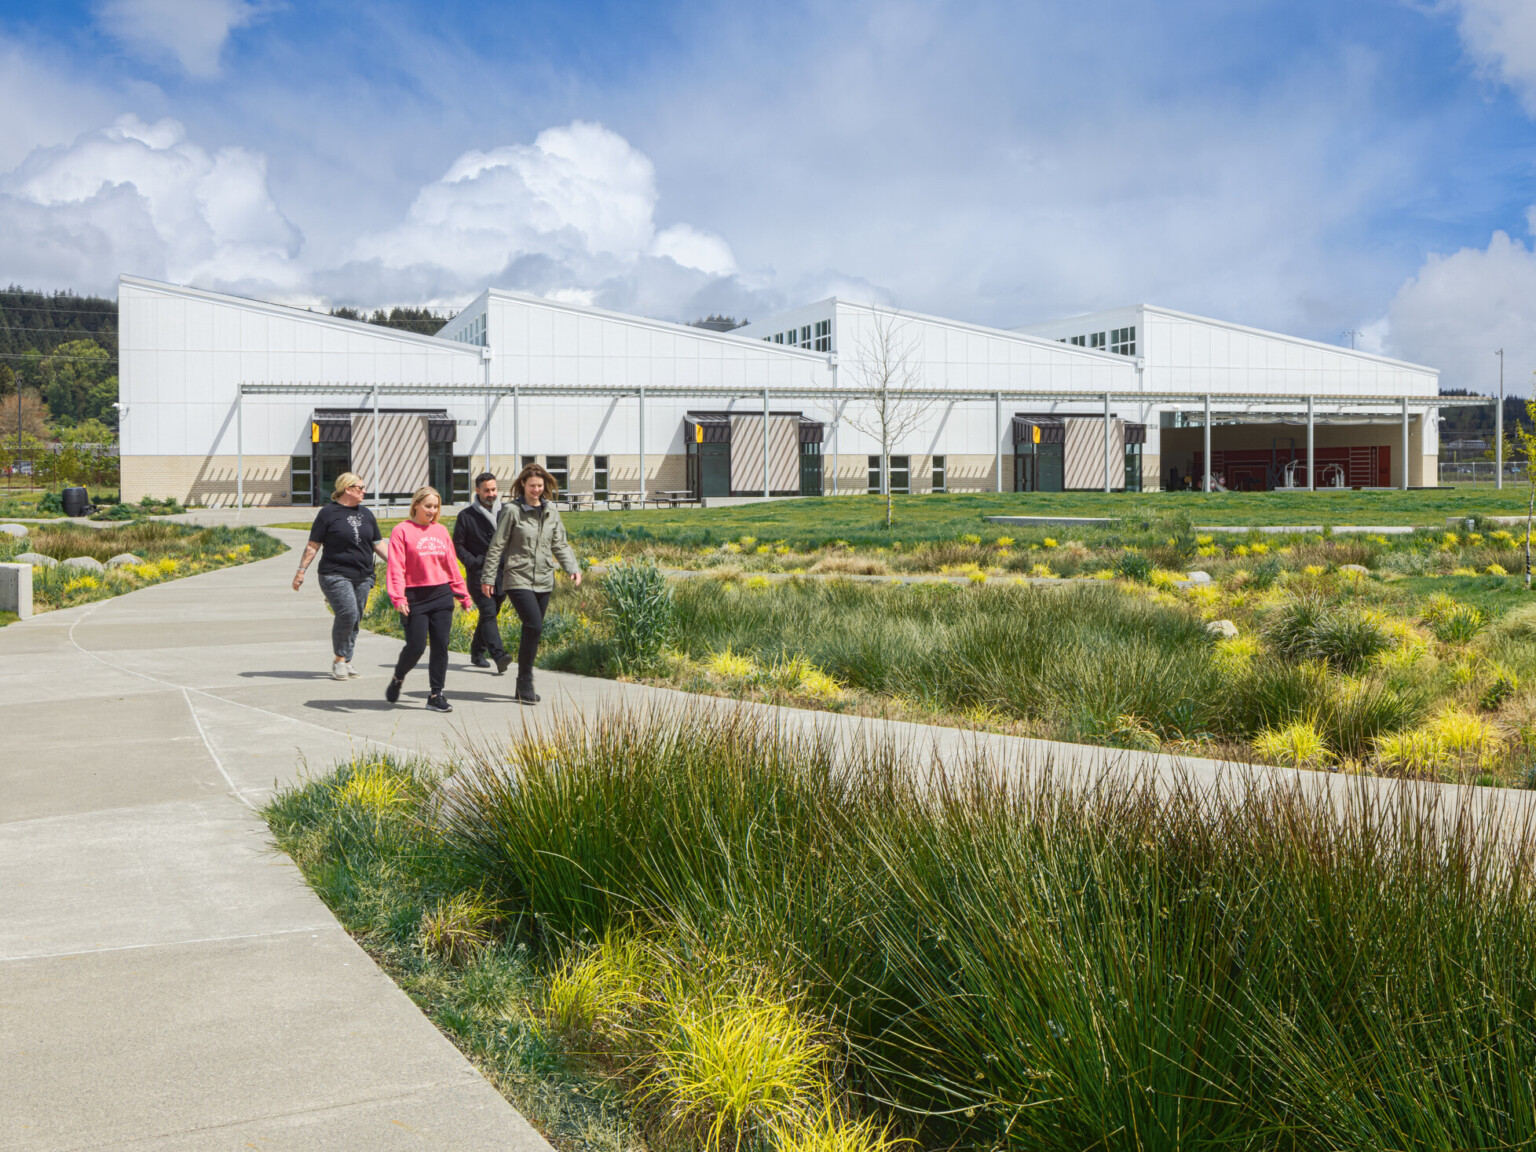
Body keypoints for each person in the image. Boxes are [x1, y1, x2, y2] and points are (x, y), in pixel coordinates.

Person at [480, 462, 582, 705]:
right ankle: (525, 680)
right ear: (523, 485)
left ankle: (522, 682)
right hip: (517, 577)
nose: (536, 489)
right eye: (531, 485)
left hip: (544, 578)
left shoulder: (551, 512)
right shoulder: (512, 511)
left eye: (540, 485)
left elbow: (560, 544)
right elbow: (497, 545)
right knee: (534, 625)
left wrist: (572, 567)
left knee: (533, 630)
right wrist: (487, 577)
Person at [384, 486, 472, 713]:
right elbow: (396, 567)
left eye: (435, 507)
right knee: (416, 647)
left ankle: (436, 694)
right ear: (416, 505)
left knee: (441, 646)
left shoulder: (441, 531)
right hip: (415, 596)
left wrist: (462, 593)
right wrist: (398, 597)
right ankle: (398, 676)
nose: (432, 511)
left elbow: (451, 564)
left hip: (441, 594)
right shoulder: (401, 531)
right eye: (428, 506)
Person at [292, 472, 388, 680]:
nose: (364, 491)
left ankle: (346, 660)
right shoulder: (328, 513)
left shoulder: (367, 514)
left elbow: (377, 543)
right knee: (348, 613)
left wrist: (397, 563)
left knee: (355, 619)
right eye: (360, 487)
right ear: (348, 489)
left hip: (363, 575)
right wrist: (301, 572)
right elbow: (313, 545)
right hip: (334, 574)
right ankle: (339, 660)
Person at [453, 471, 511, 673]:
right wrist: (474, 562)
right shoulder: (466, 516)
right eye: (486, 490)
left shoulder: (506, 511)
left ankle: (477, 652)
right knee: (487, 612)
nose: (491, 494)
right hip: (479, 574)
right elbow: (458, 546)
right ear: (477, 491)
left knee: (492, 612)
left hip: (503, 574)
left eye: (494, 489)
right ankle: (499, 655)